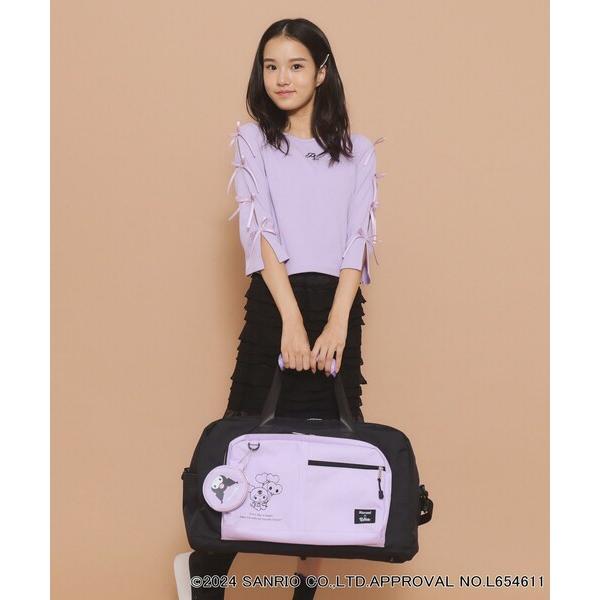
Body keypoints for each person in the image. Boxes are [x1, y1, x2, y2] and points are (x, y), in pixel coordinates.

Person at [174, 17, 385, 600]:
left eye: (295, 65)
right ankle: (205, 577)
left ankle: (304, 592)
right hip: (276, 301)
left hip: (338, 306)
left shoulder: (360, 151)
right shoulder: (253, 141)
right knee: (247, 437)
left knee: (329, 448)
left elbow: (357, 240)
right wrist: (290, 320)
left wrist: (337, 321)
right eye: (271, 66)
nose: (282, 78)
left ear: (322, 72)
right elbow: (262, 231)